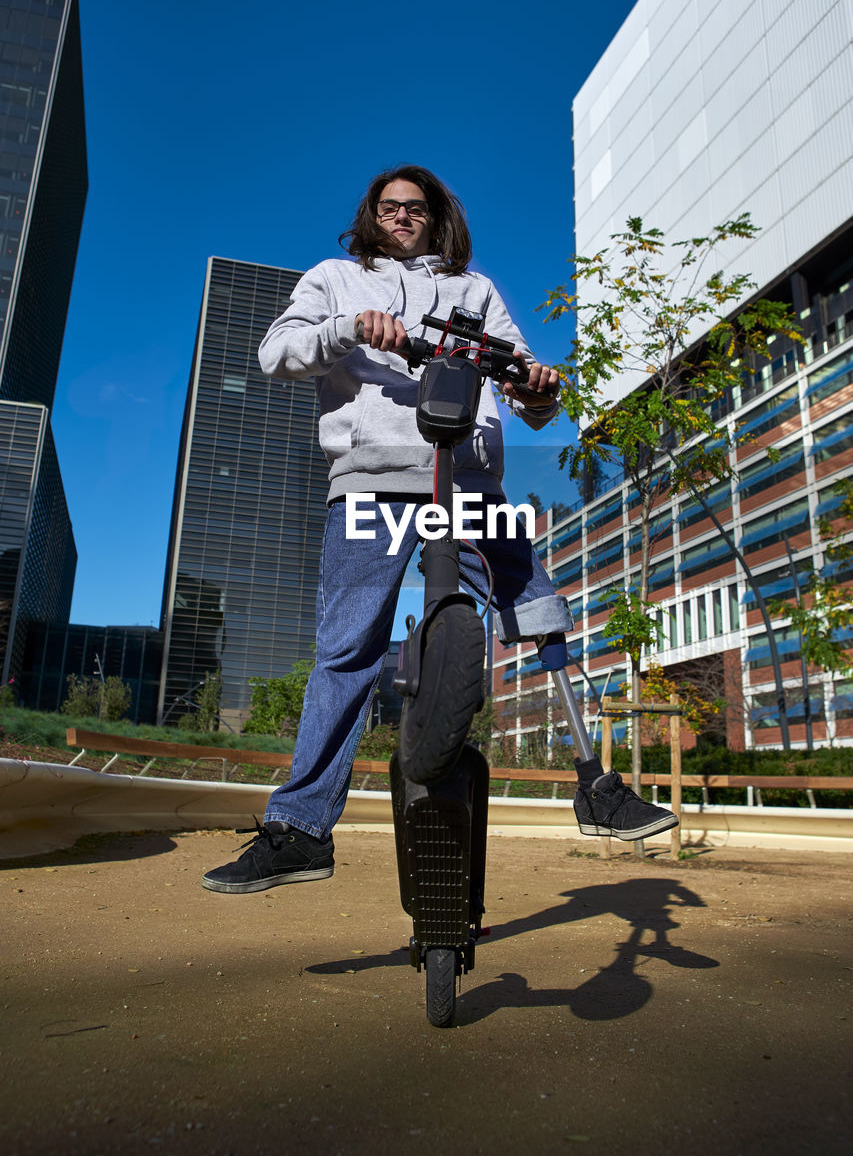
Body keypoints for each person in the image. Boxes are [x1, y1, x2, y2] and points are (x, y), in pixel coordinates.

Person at [202, 165, 676, 894]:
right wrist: (353, 326)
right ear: (372, 214)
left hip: (470, 477)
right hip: (373, 479)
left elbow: (527, 395)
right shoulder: (334, 276)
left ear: (435, 217)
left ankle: (595, 786)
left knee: (541, 612)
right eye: (389, 207)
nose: (401, 217)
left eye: (415, 208)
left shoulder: (474, 291)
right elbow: (277, 353)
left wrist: (535, 386)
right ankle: (299, 831)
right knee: (347, 651)